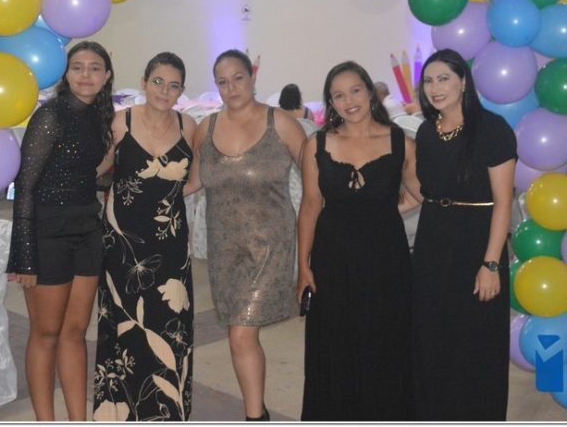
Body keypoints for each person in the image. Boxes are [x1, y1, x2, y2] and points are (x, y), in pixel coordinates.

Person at [185, 49, 306, 421]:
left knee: (240, 333)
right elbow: (192, 182)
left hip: (270, 246)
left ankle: (255, 417)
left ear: (252, 77)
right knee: (240, 333)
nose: (231, 87)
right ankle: (257, 412)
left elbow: (317, 178)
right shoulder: (207, 128)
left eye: (238, 78)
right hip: (225, 249)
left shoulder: (280, 123)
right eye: (222, 82)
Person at [297, 61, 420, 421]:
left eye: (354, 91)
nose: (349, 101)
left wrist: (381, 210)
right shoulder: (317, 144)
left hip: (386, 260)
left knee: (385, 342)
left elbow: (423, 193)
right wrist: (303, 265)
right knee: (335, 344)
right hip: (332, 260)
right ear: (330, 102)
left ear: (369, 91)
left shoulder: (400, 142)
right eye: (338, 95)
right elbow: (310, 206)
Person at [6, 41, 115, 421]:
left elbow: (89, 174)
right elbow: (25, 185)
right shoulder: (51, 115)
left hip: (87, 231)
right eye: (78, 67)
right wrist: (23, 254)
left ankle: (77, 419)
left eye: (95, 67)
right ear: (66, 74)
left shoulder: (100, 117)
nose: (86, 75)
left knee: (75, 331)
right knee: (46, 333)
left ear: (106, 75)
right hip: (47, 233)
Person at [412, 48, 516, 421]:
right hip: (432, 244)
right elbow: (423, 193)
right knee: (431, 339)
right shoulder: (426, 131)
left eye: (444, 78)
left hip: (477, 245)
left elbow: (503, 202)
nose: (435, 88)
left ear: (463, 82)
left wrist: (491, 263)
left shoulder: (492, 129)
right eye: (428, 81)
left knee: (475, 344)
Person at [93, 52, 197, 422]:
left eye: (173, 86)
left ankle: (167, 413)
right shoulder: (120, 122)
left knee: (169, 327)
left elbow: (196, 178)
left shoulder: (188, 126)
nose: (164, 91)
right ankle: (121, 413)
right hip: (123, 243)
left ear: (181, 91)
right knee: (125, 329)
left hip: (170, 244)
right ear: (144, 82)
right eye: (158, 82)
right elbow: (96, 169)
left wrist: (163, 198)